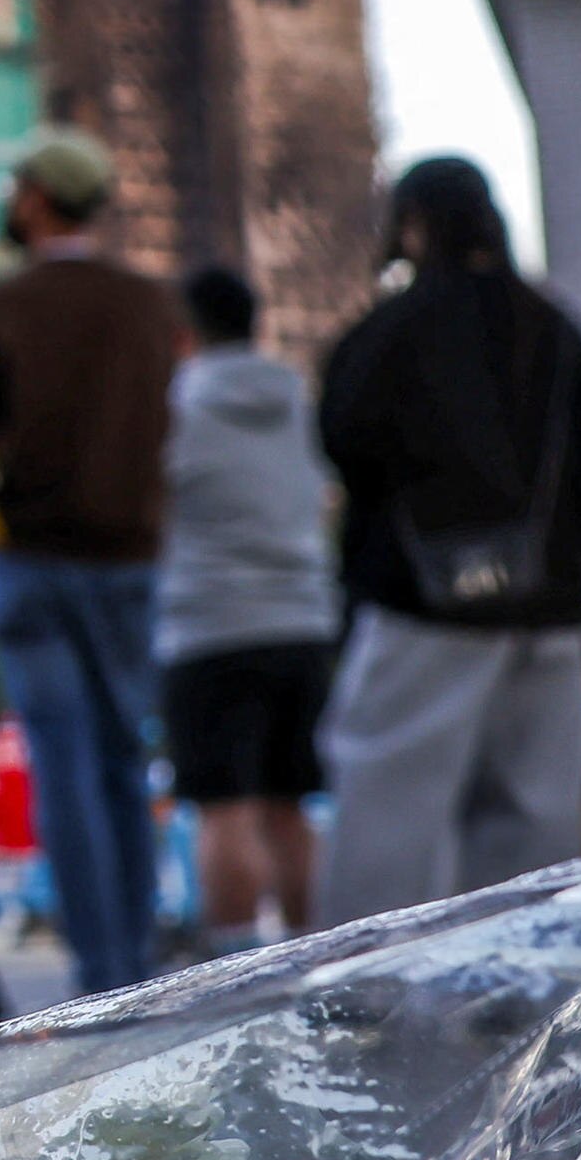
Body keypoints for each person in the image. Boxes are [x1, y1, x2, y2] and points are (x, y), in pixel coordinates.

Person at [313, 155, 581, 925]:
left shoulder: (395, 329)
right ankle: (521, 986)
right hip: (550, 602)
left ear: (413, 225)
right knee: (536, 811)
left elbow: (346, 436)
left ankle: (371, 992)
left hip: (425, 598)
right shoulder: (552, 324)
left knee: (390, 804)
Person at [0, 130, 187, 994]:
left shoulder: (0, 306)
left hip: (34, 561)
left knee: (66, 763)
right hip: (131, 559)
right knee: (126, 759)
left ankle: (103, 971)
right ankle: (139, 957)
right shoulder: (151, 304)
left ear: (40, 198)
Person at [157, 264, 337, 952]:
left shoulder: (177, 408)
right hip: (303, 621)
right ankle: (311, 954)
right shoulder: (296, 400)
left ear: (183, 330)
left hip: (209, 624)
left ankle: (235, 962)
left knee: (224, 809)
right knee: (292, 807)